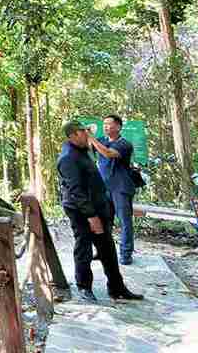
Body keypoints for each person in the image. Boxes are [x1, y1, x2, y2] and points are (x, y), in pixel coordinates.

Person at [57, 119, 144, 303]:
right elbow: (76, 192)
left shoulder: (83, 151)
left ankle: (117, 288)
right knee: (84, 248)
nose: (88, 133)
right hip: (81, 212)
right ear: (73, 136)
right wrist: (91, 216)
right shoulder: (68, 158)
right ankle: (84, 287)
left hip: (98, 207)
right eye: (84, 131)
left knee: (108, 249)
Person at [88, 113, 137, 265]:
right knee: (103, 222)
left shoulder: (124, 144)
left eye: (109, 124)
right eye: (104, 124)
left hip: (121, 188)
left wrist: (91, 138)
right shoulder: (101, 140)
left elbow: (108, 153)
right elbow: (88, 149)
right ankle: (103, 251)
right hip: (103, 189)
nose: (106, 127)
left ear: (118, 127)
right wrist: (85, 135)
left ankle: (126, 254)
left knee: (124, 221)